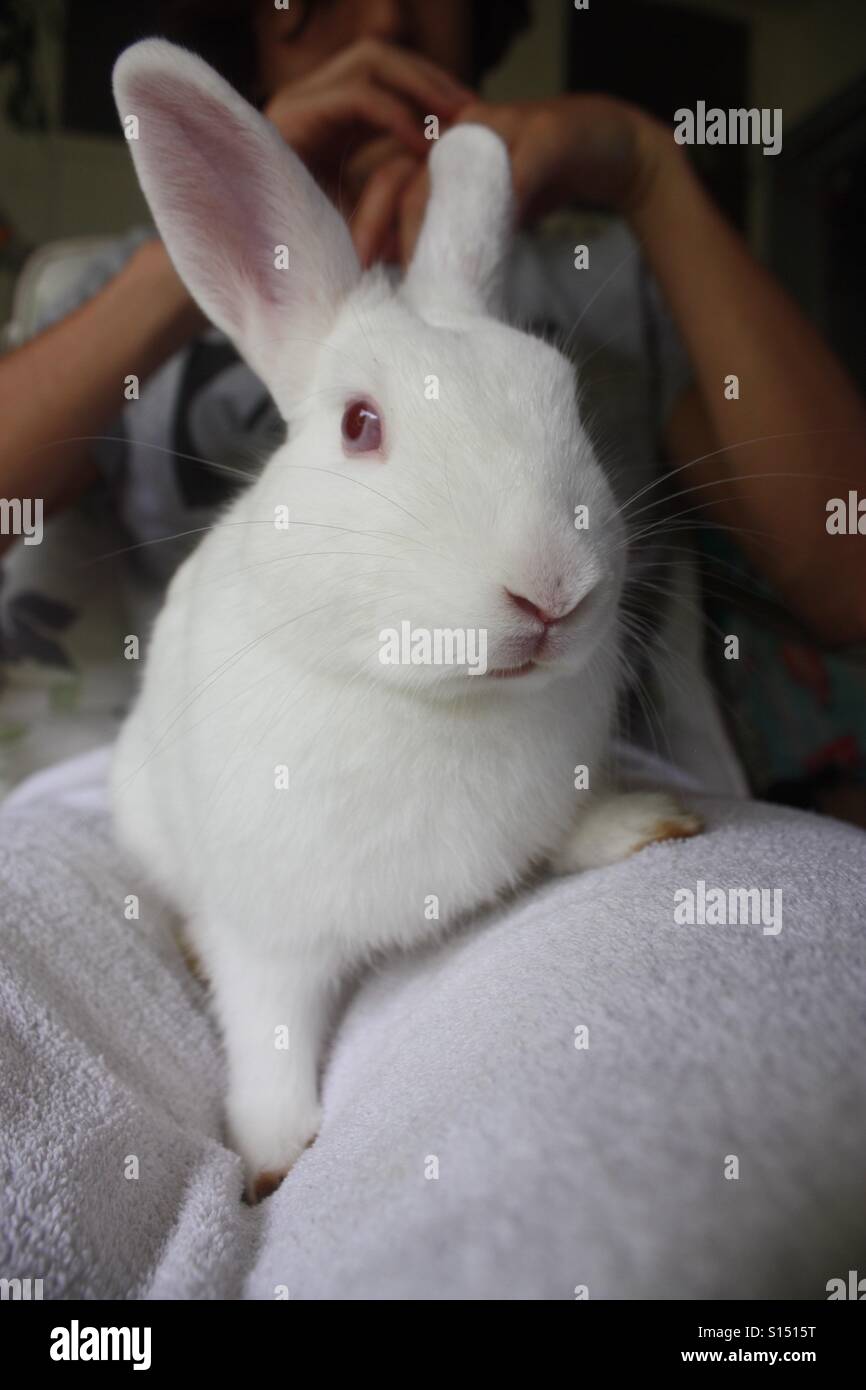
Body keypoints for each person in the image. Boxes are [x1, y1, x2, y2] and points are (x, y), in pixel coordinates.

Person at [1, 0, 865, 805]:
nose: (386, 16)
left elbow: (848, 572)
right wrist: (234, 219)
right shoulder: (109, 287)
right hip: (220, 777)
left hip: (580, 774)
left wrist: (647, 173)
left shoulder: (604, 279)